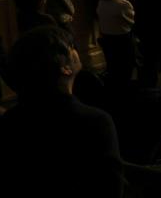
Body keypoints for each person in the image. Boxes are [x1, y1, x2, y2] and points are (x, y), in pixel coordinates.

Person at [0, 26, 123, 198]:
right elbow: (110, 189)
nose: (75, 50)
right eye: (71, 47)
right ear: (65, 68)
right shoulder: (95, 122)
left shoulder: (9, 121)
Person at [96, 0, 135, 94]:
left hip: (107, 40)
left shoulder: (101, 2)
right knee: (126, 70)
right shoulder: (123, 4)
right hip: (123, 41)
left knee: (113, 68)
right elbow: (132, 22)